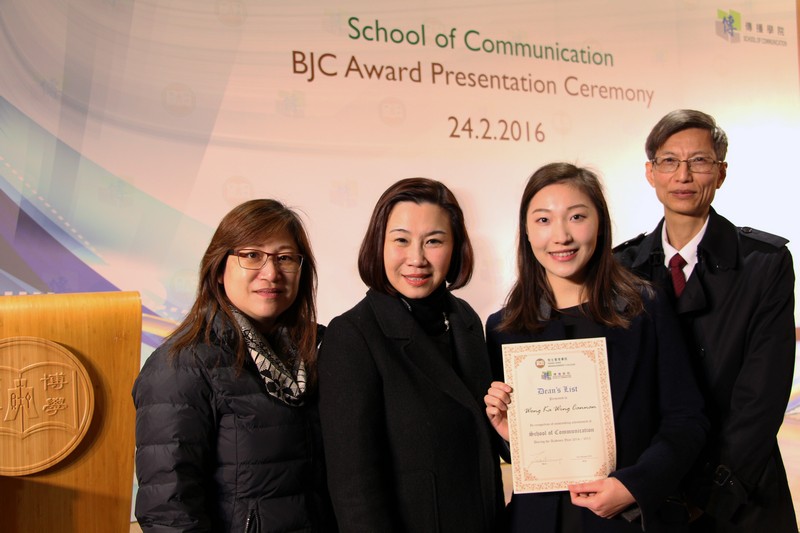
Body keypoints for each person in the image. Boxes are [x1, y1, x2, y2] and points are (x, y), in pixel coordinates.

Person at [484, 163, 708, 532]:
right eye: (543, 220)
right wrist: (512, 436)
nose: (561, 236)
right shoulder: (504, 328)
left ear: (599, 223)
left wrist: (635, 484)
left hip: (627, 519)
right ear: (525, 230)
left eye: (576, 217)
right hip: (540, 520)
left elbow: (687, 420)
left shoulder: (645, 309)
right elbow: (518, 459)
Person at [614, 109, 797, 532]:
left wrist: (715, 492)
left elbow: (762, 396)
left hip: (739, 487)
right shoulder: (622, 267)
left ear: (721, 172)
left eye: (699, 161)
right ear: (650, 172)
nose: (683, 175)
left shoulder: (763, 264)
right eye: (669, 161)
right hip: (652, 485)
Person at [132, 199, 337, 532]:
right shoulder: (182, 365)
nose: (270, 273)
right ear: (219, 268)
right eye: (252, 255)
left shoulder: (319, 351)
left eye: (284, 258)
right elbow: (168, 512)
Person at [318, 178, 505, 532]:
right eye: (401, 240)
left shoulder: (465, 319)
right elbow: (354, 491)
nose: (416, 258)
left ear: (455, 249)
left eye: (434, 241)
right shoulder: (353, 335)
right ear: (379, 245)